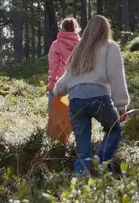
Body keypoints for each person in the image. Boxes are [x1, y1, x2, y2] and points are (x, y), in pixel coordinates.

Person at [52, 15, 129, 174]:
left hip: (76, 100)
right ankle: (100, 164)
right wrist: (121, 106)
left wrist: (56, 91)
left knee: (83, 147)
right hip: (98, 98)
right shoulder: (109, 46)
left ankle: (81, 177)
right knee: (114, 129)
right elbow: (116, 76)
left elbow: (66, 78)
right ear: (105, 30)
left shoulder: (79, 51)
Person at [47, 17, 80, 106]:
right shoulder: (81, 44)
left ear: (63, 28)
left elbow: (54, 67)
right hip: (79, 82)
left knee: (52, 96)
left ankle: (53, 117)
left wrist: (52, 83)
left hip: (63, 81)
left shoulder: (56, 44)